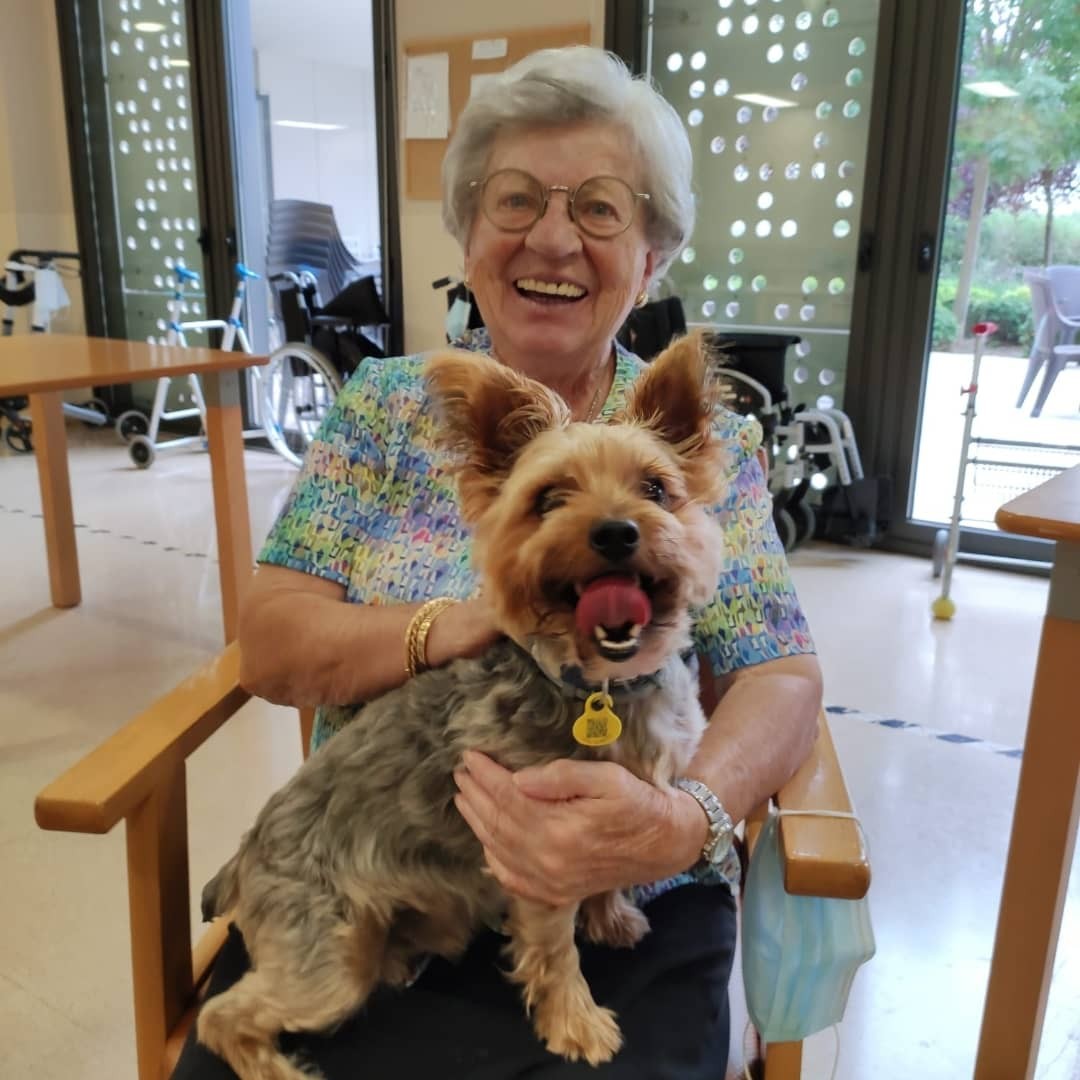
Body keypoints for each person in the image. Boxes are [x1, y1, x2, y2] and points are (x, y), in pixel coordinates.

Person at [175, 45, 821, 1079]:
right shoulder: (387, 408)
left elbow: (782, 677)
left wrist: (678, 821)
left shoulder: (704, 443)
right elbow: (272, 644)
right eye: (515, 200)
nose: (553, 238)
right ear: (470, 236)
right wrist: (461, 624)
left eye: (601, 208)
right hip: (397, 865)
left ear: (652, 256)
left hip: (639, 882)